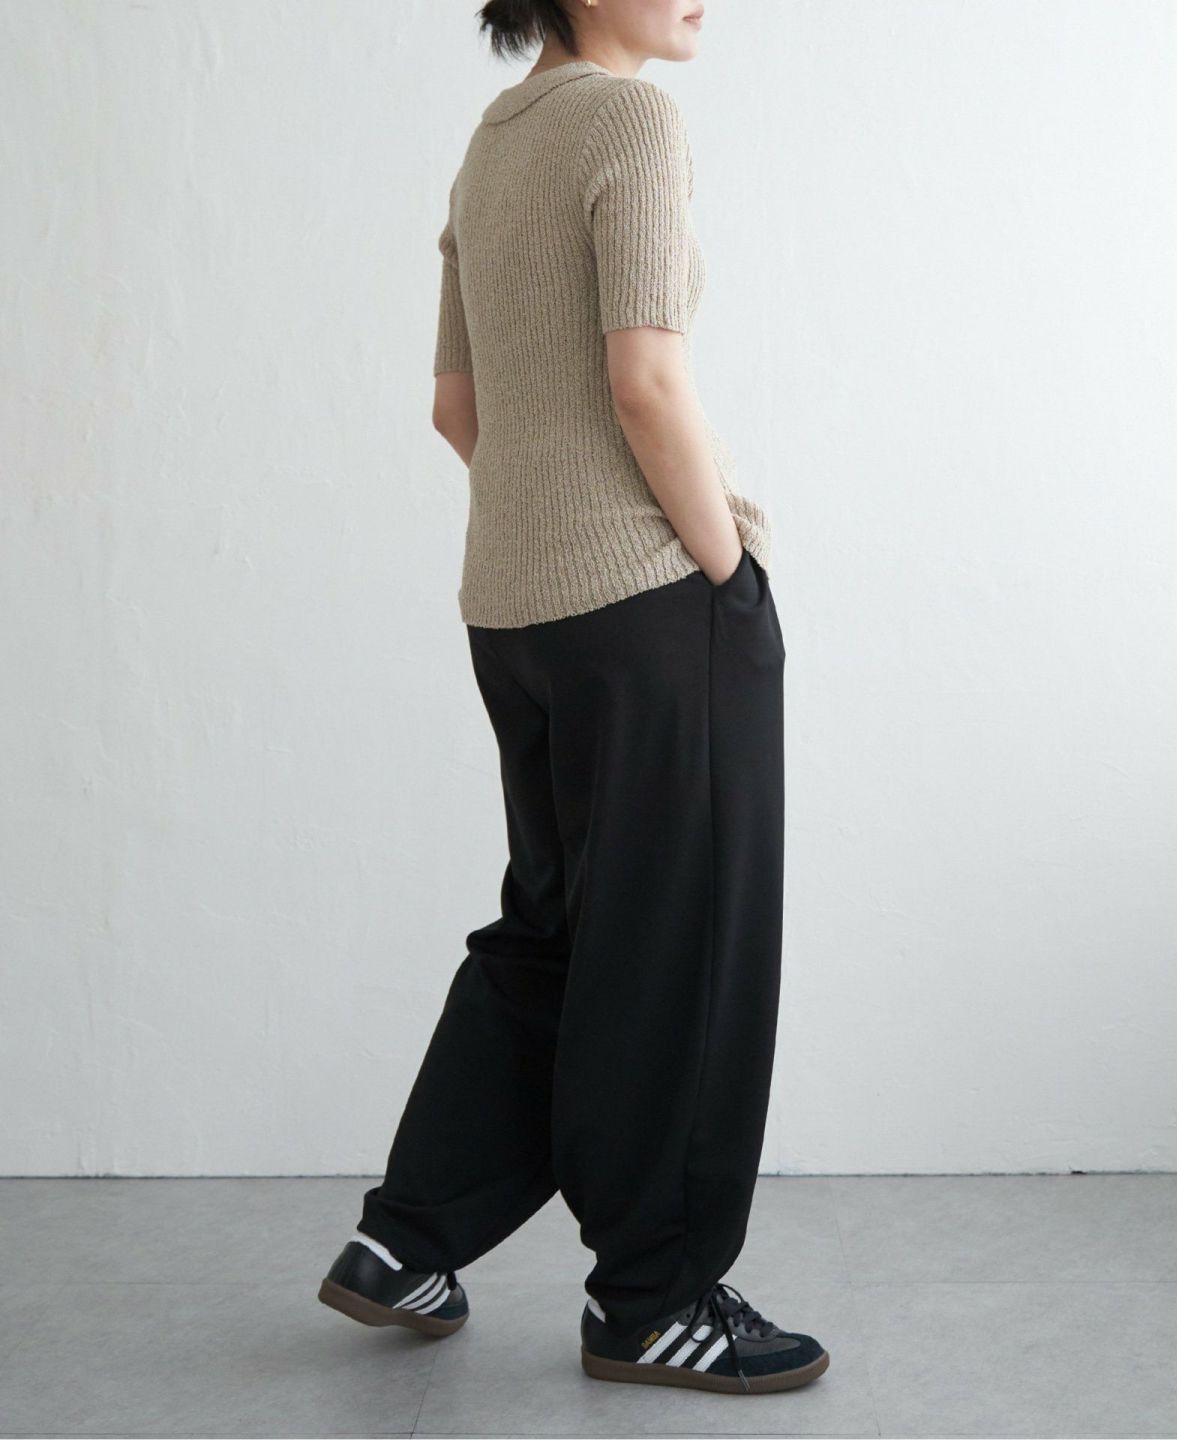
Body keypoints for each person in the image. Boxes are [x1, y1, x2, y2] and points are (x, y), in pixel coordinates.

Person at [317, 0, 829, 1396]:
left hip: (514, 603)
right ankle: (654, 1297)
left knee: (554, 931)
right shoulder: (630, 120)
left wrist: (550, 529)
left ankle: (406, 1237)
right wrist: (726, 569)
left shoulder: (493, 143)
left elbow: (458, 407)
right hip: (649, 607)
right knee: (679, 943)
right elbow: (646, 380)